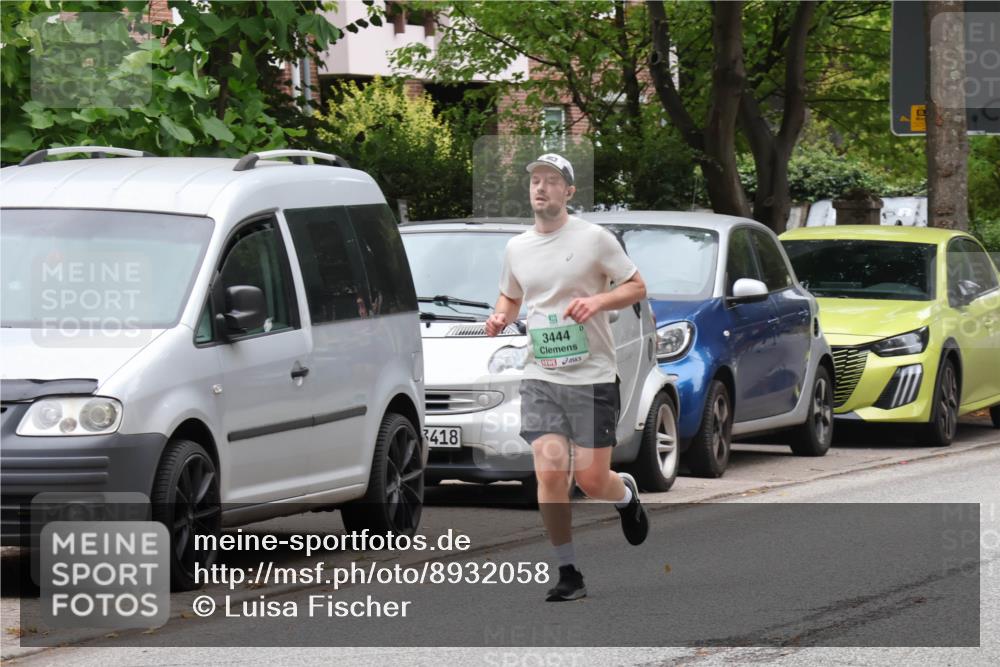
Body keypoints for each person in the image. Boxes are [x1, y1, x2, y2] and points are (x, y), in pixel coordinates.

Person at [485, 153, 650, 602]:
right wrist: (501, 316)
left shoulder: (595, 239)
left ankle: (624, 495)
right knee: (551, 471)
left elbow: (637, 286)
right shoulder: (517, 247)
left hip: (592, 374)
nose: (541, 188)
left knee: (593, 481)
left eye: (552, 181)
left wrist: (597, 303)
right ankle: (568, 571)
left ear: (569, 191)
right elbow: (511, 295)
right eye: (536, 180)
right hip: (541, 374)